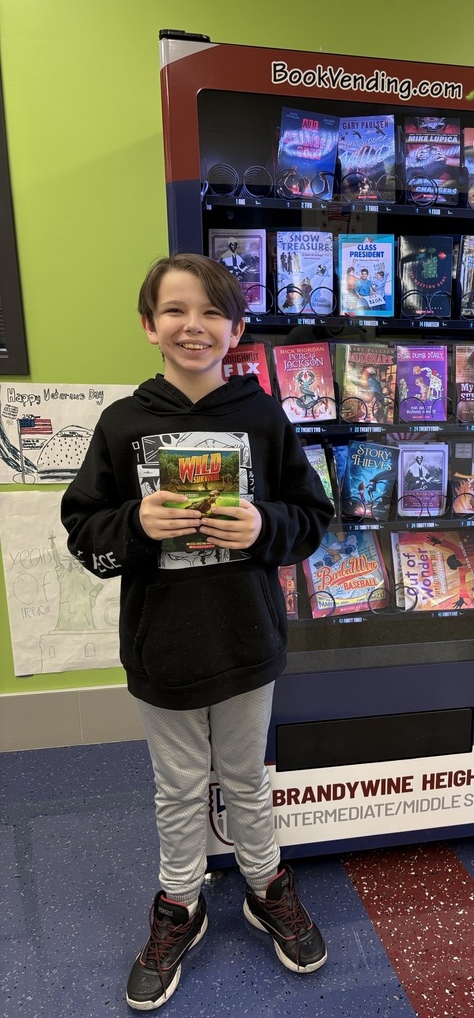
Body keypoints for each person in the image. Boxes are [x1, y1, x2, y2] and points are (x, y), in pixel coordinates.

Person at [60, 253, 334, 1011]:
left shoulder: (262, 417)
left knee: (247, 779)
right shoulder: (123, 424)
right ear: (148, 326)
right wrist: (135, 524)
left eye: (213, 311)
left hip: (247, 642)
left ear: (237, 330)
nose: (194, 325)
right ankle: (180, 903)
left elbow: (312, 521)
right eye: (176, 310)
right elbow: (86, 537)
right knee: (178, 787)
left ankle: (264, 884)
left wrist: (263, 523)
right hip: (163, 648)